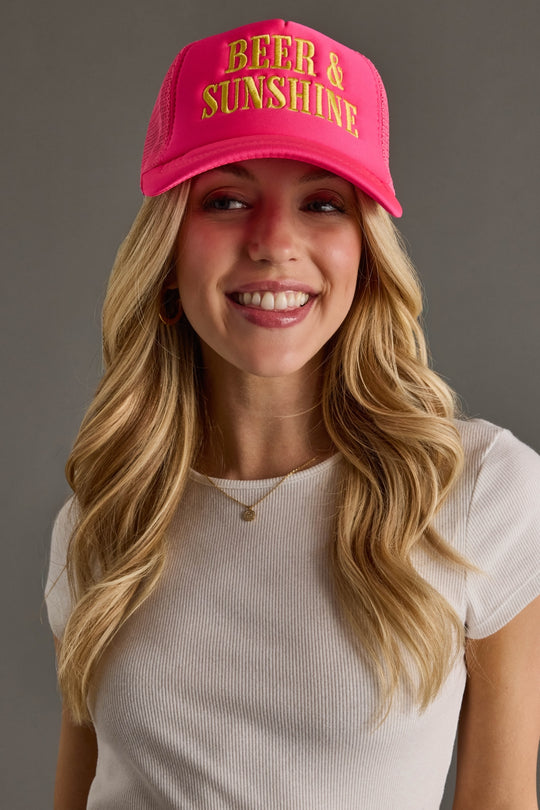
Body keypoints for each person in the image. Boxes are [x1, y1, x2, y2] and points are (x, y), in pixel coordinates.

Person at [45, 19, 540, 810]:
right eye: (227, 199)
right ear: (167, 256)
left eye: (322, 203)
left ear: (366, 256)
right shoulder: (106, 519)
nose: (275, 243)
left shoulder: (480, 492)